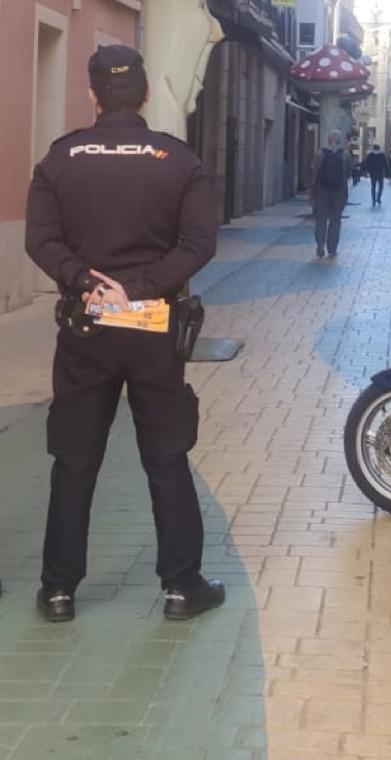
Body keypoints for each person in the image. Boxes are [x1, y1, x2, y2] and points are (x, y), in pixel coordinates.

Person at [23, 45, 225, 623]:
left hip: (87, 327)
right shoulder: (176, 159)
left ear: (91, 96)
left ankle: (59, 591)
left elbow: (40, 240)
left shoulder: (61, 159)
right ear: (144, 94)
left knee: (74, 458)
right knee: (166, 456)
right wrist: (141, 289)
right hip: (152, 326)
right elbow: (198, 244)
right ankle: (183, 586)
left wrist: (88, 282)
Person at [310, 131, 351, 258]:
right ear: (339, 141)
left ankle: (320, 245)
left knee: (320, 219)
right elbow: (348, 173)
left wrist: (312, 192)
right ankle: (332, 247)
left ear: (328, 140)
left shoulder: (320, 153)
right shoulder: (345, 155)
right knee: (335, 220)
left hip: (322, 191)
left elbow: (314, 171)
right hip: (338, 192)